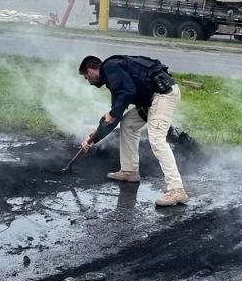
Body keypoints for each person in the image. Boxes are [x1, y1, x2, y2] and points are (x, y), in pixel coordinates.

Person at [78, 54, 189, 207]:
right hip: (151, 100)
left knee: (156, 139)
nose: (89, 82)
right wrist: (92, 139)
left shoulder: (110, 68)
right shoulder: (113, 75)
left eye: (86, 78)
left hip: (163, 95)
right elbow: (114, 117)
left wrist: (112, 113)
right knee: (128, 123)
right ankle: (129, 172)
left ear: (90, 71)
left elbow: (128, 92)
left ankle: (177, 190)